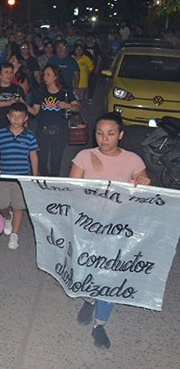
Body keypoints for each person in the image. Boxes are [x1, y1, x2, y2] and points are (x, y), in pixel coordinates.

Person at [69, 113, 150, 351]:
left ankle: (100, 324)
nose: (104, 139)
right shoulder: (84, 156)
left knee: (111, 274)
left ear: (121, 135)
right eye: (100, 133)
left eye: (111, 133)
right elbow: (72, 187)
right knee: (87, 267)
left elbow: (141, 179)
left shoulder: (133, 159)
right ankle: (89, 298)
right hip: (89, 223)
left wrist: (143, 181)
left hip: (119, 226)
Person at [0, 102, 38, 250]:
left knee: (19, 207)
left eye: (20, 117)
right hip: (4, 176)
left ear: (25, 118)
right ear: (8, 117)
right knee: (1, 204)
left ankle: (15, 235)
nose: (16, 120)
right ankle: (7, 217)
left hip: (22, 178)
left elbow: (34, 157)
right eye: (13, 116)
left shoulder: (30, 136)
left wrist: (34, 177)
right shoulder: (1, 134)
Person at [28, 65, 79, 177]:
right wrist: (23, 104)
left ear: (56, 76)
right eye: (44, 75)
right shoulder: (40, 92)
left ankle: (53, 183)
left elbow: (77, 108)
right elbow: (35, 111)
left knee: (56, 159)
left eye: (48, 75)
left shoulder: (65, 91)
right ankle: (46, 179)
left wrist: (68, 105)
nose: (45, 77)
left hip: (60, 131)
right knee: (42, 159)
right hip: (43, 130)